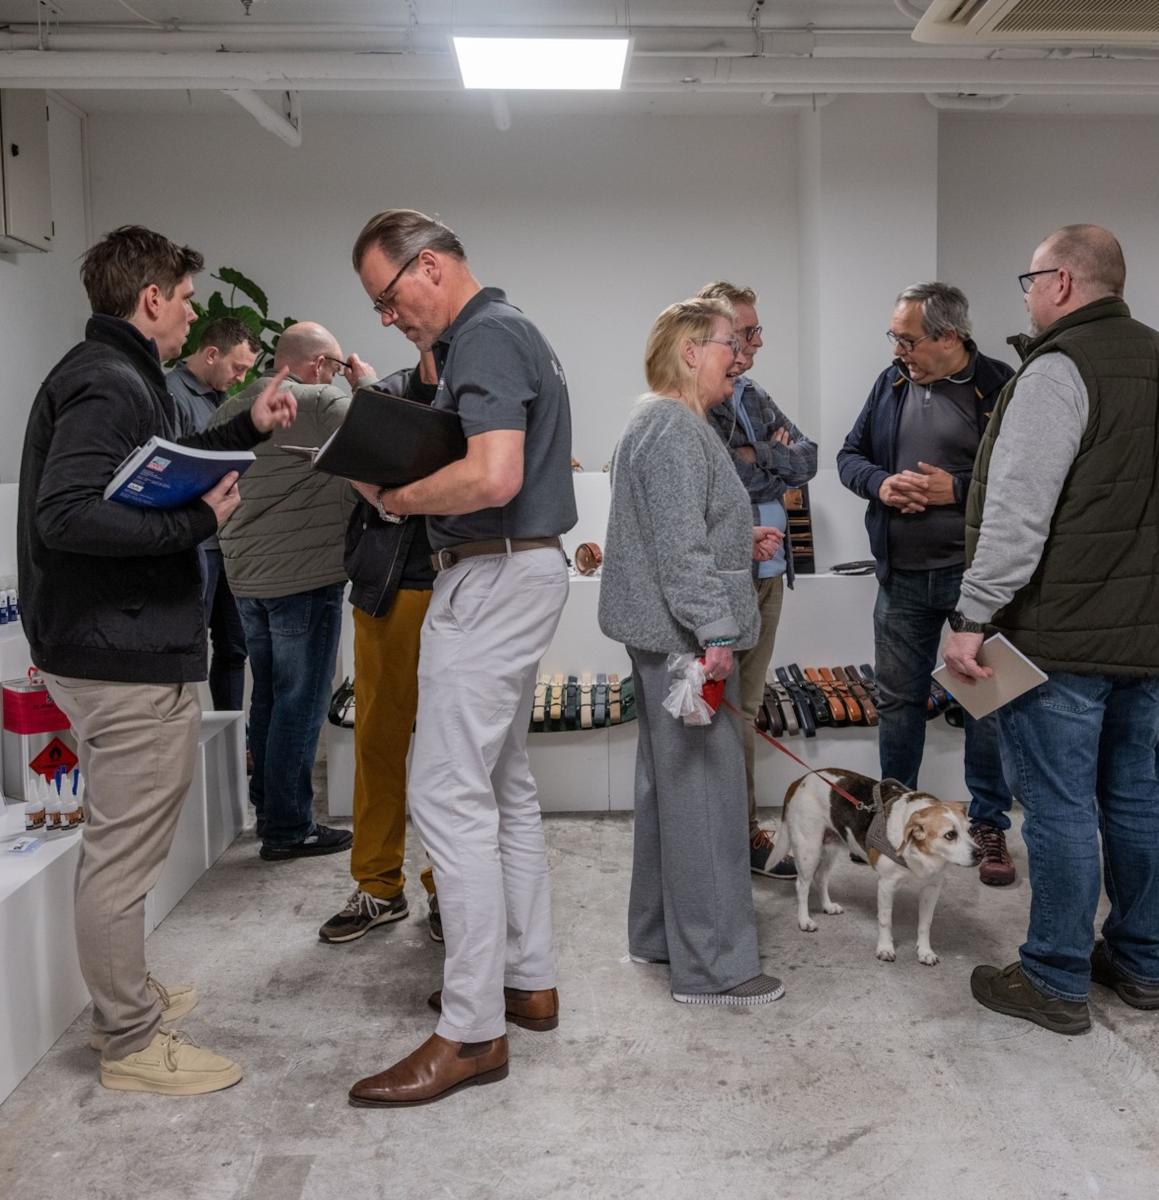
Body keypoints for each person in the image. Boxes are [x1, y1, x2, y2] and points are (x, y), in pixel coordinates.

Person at [17, 224, 297, 1093]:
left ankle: (124, 999)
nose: (189, 315)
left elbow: (153, 469)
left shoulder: (120, 374)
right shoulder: (108, 380)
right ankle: (130, 1040)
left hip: (122, 642)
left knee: (125, 847)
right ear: (150, 300)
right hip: (118, 650)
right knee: (123, 856)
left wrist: (246, 425)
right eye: (183, 300)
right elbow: (66, 513)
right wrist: (194, 523)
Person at [941, 224, 1159, 1036]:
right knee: (1136, 796)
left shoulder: (1059, 369)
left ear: (1061, 282)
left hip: (1064, 633)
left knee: (1058, 808)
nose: (1025, 297)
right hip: (1148, 632)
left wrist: (971, 616)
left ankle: (1054, 977)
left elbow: (1018, 512)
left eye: (1030, 281)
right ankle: (1138, 962)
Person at [345, 210, 576, 1108]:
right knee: (503, 785)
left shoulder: (485, 336)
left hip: (491, 573)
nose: (387, 316)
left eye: (388, 296)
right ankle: (526, 979)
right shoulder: (504, 333)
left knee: (446, 794)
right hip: (514, 568)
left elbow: (493, 475)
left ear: (430, 267)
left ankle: (473, 1031)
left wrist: (394, 498)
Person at [600, 296, 786, 1008]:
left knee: (669, 794)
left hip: (664, 640)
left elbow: (672, 531)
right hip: (687, 645)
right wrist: (715, 632)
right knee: (706, 801)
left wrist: (737, 541)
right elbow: (679, 552)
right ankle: (714, 971)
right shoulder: (676, 429)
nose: (738, 359)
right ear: (689, 352)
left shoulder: (657, 422)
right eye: (726, 345)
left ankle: (658, 937)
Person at [837, 282, 1017, 886]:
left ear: (948, 336)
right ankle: (897, 817)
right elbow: (849, 456)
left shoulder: (1001, 385)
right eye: (894, 337)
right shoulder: (890, 383)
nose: (898, 350)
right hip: (902, 578)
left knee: (985, 703)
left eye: (907, 339)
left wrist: (955, 490)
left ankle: (987, 826)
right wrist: (881, 484)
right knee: (897, 703)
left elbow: (1024, 479)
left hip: (978, 582)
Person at [209, 322, 366, 861]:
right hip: (305, 578)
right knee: (302, 702)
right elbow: (382, 439)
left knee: (270, 695)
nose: (339, 376)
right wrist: (364, 386)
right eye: (338, 367)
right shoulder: (321, 401)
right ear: (320, 365)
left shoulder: (232, 410)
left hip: (247, 581)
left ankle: (268, 809)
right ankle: (288, 827)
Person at [319, 351, 443, 945]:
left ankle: (449, 887)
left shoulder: (482, 392)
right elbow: (355, 473)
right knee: (378, 742)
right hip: (388, 588)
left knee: (454, 754)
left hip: (463, 590)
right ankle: (378, 885)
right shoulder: (388, 394)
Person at [695, 281, 817, 880]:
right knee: (724, 709)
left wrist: (758, 455)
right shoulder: (699, 400)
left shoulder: (753, 393)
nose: (758, 342)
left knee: (744, 705)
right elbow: (721, 478)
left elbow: (809, 460)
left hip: (770, 569)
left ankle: (736, 834)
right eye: (748, 332)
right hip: (728, 574)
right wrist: (767, 457)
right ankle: (732, 836)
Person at [165, 316, 259, 714]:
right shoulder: (171, 394)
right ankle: (185, 733)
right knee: (189, 649)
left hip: (229, 544)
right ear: (211, 354)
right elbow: (171, 469)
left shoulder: (225, 399)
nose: (240, 378)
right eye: (237, 367)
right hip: (196, 543)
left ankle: (231, 738)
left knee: (234, 647)